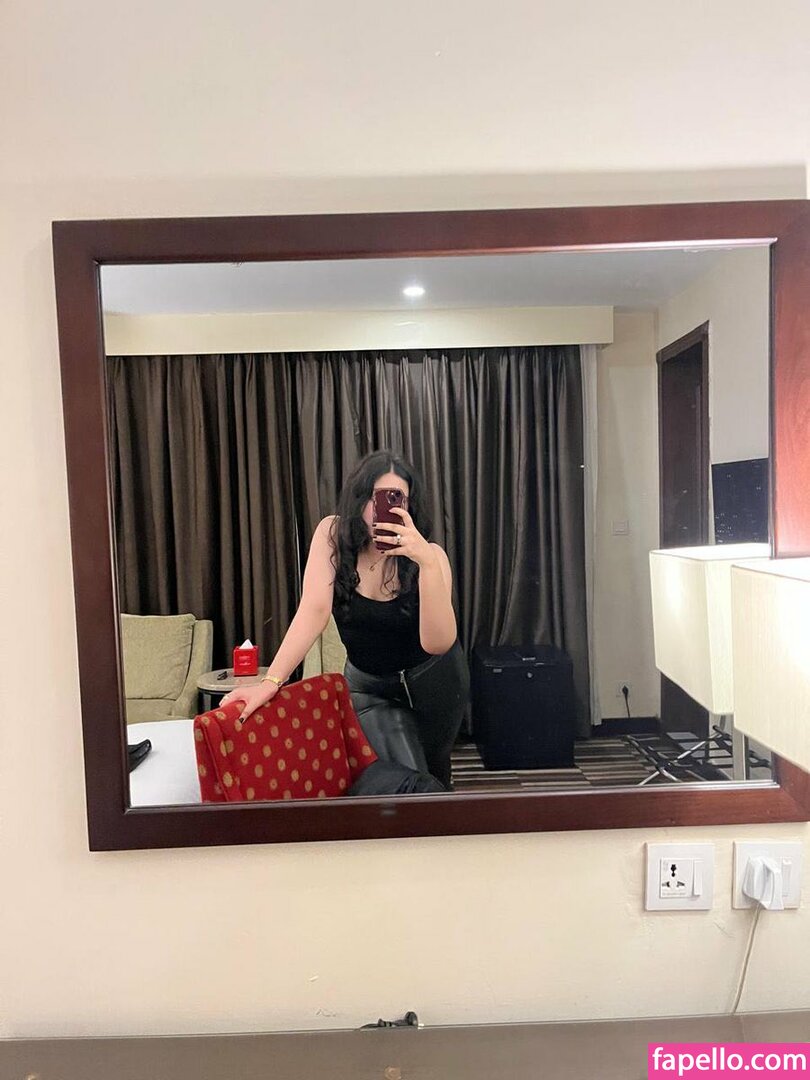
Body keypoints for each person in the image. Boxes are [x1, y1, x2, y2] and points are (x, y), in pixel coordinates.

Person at [220, 450, 469, 790]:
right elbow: (313, 610)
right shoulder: (333, 536)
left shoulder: (432, 556)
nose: (382, 510)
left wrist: (425, 563)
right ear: (359, 498)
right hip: (370, 688)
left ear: (410, 507)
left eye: (397, 499)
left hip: (435, 683)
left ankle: (445, 817)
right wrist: (270, 682)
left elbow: (437, 643)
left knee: (436, 771)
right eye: (375, 497)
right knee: (410, 786)